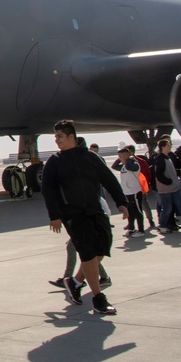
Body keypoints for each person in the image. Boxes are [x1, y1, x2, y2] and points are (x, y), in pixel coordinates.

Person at [41, 119, 128, 316]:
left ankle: (75, 281)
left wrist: (122, 202)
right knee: (87, 254)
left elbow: (109, 179)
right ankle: (98, 299)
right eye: (55, 137)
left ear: (72, 137)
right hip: (73, 214)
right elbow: (48, 190)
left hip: (96, 209)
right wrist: (54, 215)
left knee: (102, 248)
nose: (57, 141)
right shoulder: (54, 162)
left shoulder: (90, 157)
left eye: (60, 137)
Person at [152, 138, 181, 234]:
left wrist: (179, 171)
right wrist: (169, 182)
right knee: (167, 208)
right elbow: (159, 175)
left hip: (174, 188)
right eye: (168, 145)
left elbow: (171, 171)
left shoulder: (167, 157)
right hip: (166, 190)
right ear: (163, 147)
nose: (170, 146)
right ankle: (162, 226)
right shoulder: (160, 159)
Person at [113, 146, 145, 237]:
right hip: (127, 192)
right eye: (118, 155)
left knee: (137, 211)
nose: (119, 157)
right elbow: (114, 166)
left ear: (126, 155)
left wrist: (129, 158)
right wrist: (121, 159)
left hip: (134, 192)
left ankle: (141, 230)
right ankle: (131, 229)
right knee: (130, 212)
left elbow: (130, 166)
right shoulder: (123, 166)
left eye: (121, 155)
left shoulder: (133, 164)